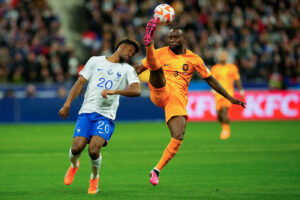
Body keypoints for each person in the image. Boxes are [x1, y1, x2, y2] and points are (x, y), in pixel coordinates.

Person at [134, 19, 246, 186]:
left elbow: (210, 80)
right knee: (156, 67)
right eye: (170, 38)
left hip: (177, 98)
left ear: (183, 39)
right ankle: (148, 43)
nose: (171, 40)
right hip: (160, 90)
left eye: (175, 37)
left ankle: (156, 170)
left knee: (178, 136)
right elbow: (138, 69)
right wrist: (119, 75)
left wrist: (230, 97)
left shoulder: (194, 59)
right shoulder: (161, 52)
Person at [58, 39, 141, 194]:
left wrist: (115, 91)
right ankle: (74, 165)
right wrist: (67, 104)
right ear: (120, 46)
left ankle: (94, 177)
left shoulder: (128, 70)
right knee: (76, 148)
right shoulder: (95, 61)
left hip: (106, 115)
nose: (130, 55)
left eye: (132, 54)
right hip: (86, 111)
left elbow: (137, 91)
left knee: (94, 150)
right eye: (129, 50)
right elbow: (80, 82)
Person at [211, 50, 244, 140]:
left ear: (227, 57)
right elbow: (212, 80)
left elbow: (237, 80)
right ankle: (224, 128)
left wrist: (241, 90)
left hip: (228, 93)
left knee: (225, 111)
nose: (222, 57)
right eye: (221, 56)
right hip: (218, 94)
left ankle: (226, 131)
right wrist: (212, 89)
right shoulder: (215, 68)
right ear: (219, 57)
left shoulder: (232, 68)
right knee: (219, 116)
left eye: (224, 56)